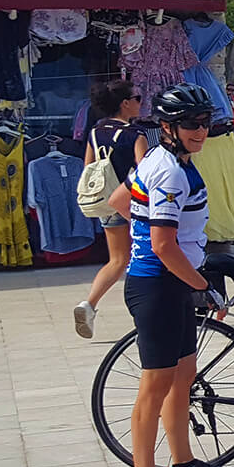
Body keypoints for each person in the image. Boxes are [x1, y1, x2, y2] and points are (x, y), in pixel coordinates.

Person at [113, 83, 234, 467]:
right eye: (190, 125)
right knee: (156, 384)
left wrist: (144, 219)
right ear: (167, 126)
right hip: (159, 285)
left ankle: (183, 464)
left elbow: (120, 198)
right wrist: (204, 287)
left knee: (184, 376)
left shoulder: (164, 159)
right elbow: (164, 246)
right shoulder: (167, 169)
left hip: (173, 281)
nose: (200, 132)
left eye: (205, 123)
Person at [72, 79, 150, 339]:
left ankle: (89, 304)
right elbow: (144, 173)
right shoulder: (135, 135)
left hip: (106, 202)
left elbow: (88, 166)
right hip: (132, 202)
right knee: (149, 258)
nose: (141, 102)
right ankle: (146, 314)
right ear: (125, 104)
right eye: (137, 98)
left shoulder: (95, 131)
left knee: (117, 260)